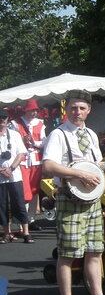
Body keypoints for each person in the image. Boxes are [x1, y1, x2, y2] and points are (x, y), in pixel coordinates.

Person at [42, 90, 105, 295]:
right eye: (73, 108)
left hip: (91, 200)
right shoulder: (58, 135)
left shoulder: (91, 134)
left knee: (94, 252)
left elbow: (97, 167)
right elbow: (48, 167)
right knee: (67, 255)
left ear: (88, 110)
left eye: (82, 108)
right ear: (67, 109)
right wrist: (78, 174)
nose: (77, 112)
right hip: (68, 200)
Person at [9, 99, 46, 231]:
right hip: (22, 160)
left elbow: (44, 142)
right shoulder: (15, 124)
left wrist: (34, 143)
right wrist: (23, 141)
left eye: (36, 110)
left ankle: (31, 220)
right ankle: (22, 222)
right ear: (26, 110)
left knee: (35, 190)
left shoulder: (40, 124)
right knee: (24, 191)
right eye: (32, 110)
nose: (34, 113)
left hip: (36, 160)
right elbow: (11, 142)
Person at [0, 109, 32, 244]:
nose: (2, 120)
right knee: (1, 205)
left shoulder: (14, 134)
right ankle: (7, 233)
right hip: (0, 176)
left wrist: (11, 168)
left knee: (19, 202)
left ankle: (26, 232)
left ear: (7, 119)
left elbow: (21, 153)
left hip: (14, 174)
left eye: (4, 117)